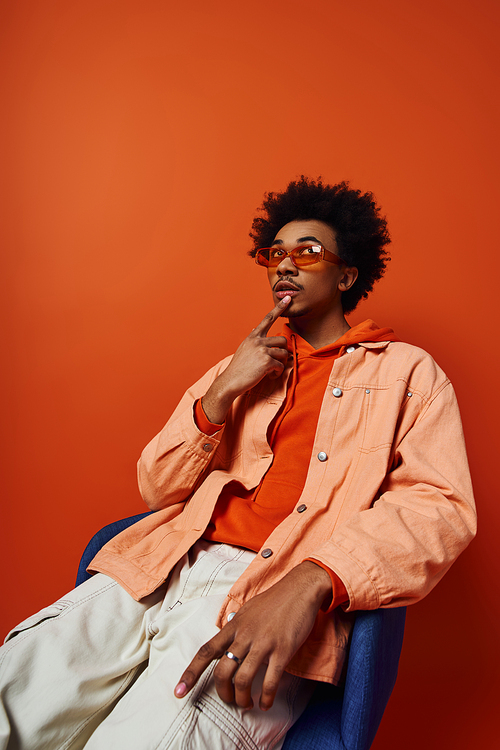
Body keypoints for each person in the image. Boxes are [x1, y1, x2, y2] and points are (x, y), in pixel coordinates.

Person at [0, 177, 476, 749]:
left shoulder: (406, 373)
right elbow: (157, 487)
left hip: (264, 596)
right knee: (15, 698)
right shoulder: (240, 365)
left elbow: (439, 508)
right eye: (275, 254)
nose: (285, 266)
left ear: (347, 276)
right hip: (159, 568)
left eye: (308, 252)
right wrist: (221, 393)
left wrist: (313, 581)